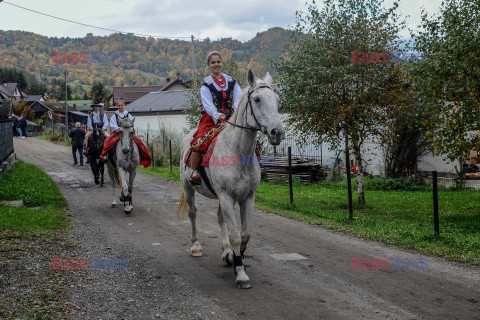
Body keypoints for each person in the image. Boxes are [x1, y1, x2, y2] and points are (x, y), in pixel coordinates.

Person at [188, 51, 242, 185]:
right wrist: (217, 115)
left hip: (231, 116)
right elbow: (208, 104)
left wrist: (234, 113)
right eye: (213, 62)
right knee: (200, 140)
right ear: (208, 65)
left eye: (218, 61)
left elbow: (238, 99)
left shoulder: (232, 82)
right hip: (211, 117)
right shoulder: (206, 85)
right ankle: (195, 172)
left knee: (248, 134)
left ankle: (256, 167)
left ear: (222, 63)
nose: (216, 64)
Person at [99, 100, 151, 167]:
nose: (120, 107)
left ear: (124, 106)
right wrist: (118, 129)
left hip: (127, 132)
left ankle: (142, 157)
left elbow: (131, 123)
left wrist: (129, 128)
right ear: (117, 106)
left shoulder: (128, 114)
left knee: (139, 142)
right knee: (108, 142)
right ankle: (105, 156)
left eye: (121, 105)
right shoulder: (115, 115)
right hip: (118, 132)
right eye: (119, 105)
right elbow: (112, 124)